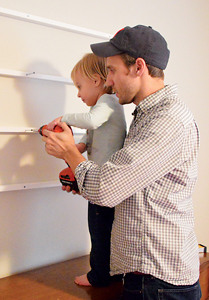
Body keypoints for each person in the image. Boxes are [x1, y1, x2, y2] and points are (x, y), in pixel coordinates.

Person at [42, 25, 201, 299]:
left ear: (138, 67)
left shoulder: (167, 121)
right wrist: (82, 182)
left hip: (159, 285)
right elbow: (132, 186)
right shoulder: (147, 116)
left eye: (113, 70)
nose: (109, 80)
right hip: (150, 279)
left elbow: (106, 189)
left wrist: (71, 152)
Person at [47, 53, 126, 287]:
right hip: (102, 182)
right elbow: (91, 136)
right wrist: (75, 146)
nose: (79, 94)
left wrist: (65, 118)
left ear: (95, 80)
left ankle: (98, 276)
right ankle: (112, 273)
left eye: (79, 86)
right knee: (105, 231)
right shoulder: (103, 109)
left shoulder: (108, 103)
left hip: (105, 185)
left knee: (100, 232)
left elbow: (91, 121)